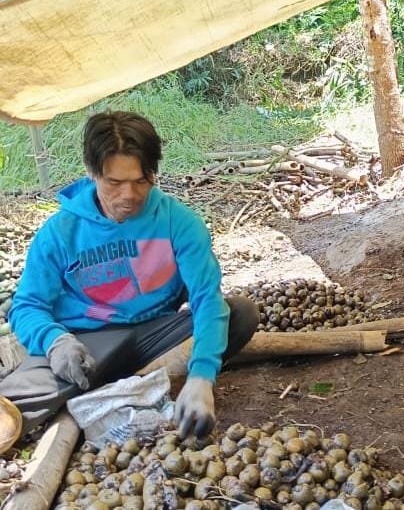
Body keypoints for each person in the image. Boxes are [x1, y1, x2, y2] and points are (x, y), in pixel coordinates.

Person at [0, 112, 259, 438]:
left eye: (141, 181)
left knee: (240, 314)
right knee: (10, 406)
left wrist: (202, 378)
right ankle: (107, 380)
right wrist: (55, 343)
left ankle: (118, 382)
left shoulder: (178, 223)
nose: (129, 195)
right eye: (115, 182)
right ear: (92, 172)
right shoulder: (60, 232)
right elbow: (26, 306)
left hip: (154, 334)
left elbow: (206, 299)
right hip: (87, 343)